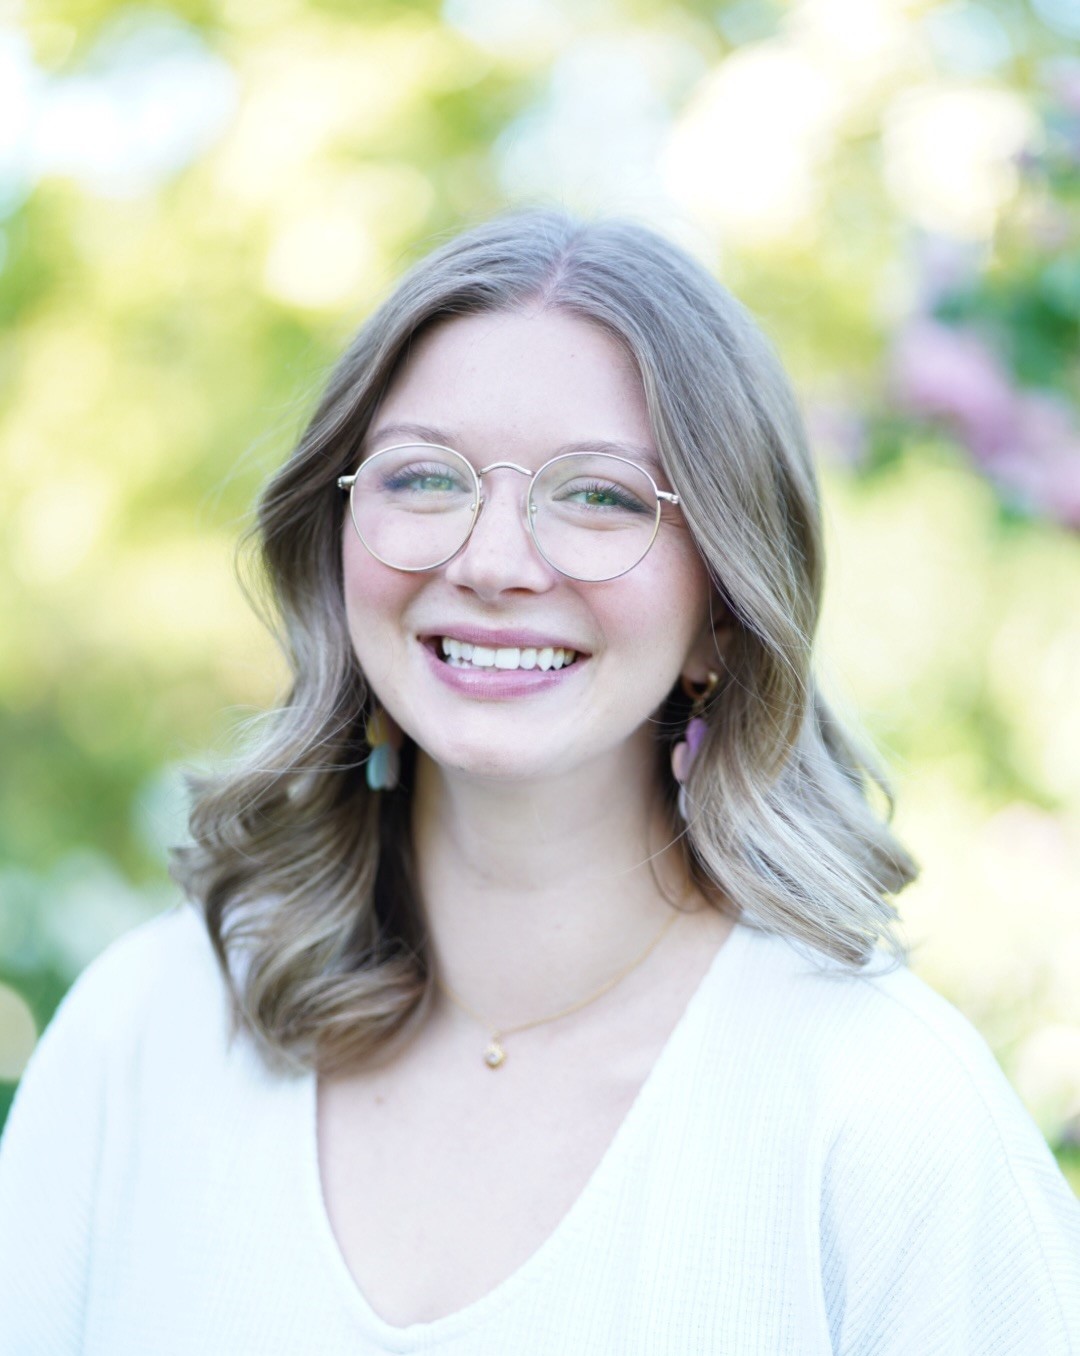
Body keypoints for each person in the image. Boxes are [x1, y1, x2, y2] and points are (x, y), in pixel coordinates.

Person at [0, 207, 1077, 1355]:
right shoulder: (144, 1033)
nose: (494, 562)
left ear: (721, 610)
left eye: (599, 494)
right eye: (423, 479)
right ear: (337, 541)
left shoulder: (882, 1112)